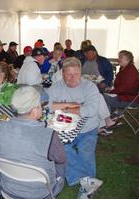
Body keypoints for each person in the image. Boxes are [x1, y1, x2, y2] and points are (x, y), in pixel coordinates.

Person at [0, 86, 66, 199]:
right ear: (34, 111)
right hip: (41, 193)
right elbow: (61, 159)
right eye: (41, 105)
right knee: (62, 161)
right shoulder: (49, 135)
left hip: (8, 189)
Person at [47, 57, 103, 198]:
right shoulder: (56, 87)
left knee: (86, 153)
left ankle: (85, 189)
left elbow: (92, 110)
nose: (73, 78)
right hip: (64, 130)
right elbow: (46, 105)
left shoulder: (89, 87)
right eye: (69, 74)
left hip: (87, 130)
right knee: (61, 150)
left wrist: (64, 108)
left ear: (81, 73)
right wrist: (73, 104)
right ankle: (87, 181)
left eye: (76, 74)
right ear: (63, 73)